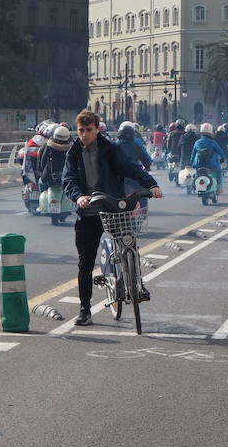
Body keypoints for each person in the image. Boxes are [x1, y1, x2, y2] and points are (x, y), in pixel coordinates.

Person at [62, 110, 163, 326]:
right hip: (88, 212)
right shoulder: (73, 153)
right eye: (81, 130)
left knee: (130, 245)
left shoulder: (110, 149)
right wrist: (78, 196)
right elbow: (68, 179)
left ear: (97, 129)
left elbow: (131, 168)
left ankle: (138, 283)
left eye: (89, 130)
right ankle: (85, 310)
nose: (84, 135)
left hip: (113, 208)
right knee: (85, 263)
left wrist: (151, 185)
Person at [191, 123, 228, 193]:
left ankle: (194, 187)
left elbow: (193, 154)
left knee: (195, 174)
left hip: (198, 165)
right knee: (219, 173)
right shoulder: (213, 142)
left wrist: (192, 162)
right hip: (211, 165)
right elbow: (220, 152)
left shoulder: (197, 142)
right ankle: (219, 188)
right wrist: (223, 159)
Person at [37, 125, 72, 189]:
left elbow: (42, 162)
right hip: (66, 179)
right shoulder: (71, 148)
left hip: (49, 178)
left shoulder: (47, 146)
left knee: (40, 183)